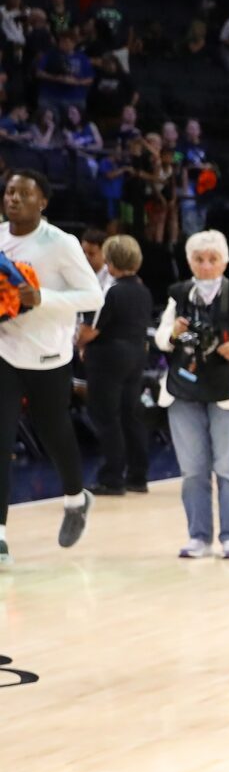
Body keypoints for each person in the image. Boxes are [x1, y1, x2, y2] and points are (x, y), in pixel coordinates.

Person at [0, 170, 102, 566]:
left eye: (25, 193)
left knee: (56, 433)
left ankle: (77, 499)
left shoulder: (61, 243)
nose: (14, 198)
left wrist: (41, 297)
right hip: (4, 350)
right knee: (1, 441)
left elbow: (91, 295)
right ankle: (1, 536)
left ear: (43, 201)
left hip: (48, 355)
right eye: (10, 191)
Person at [154, 228, 229, 558]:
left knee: (228, 467)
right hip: (184, 389)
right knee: (192, 469)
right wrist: (175, 334)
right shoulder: (179, 293)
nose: (206, 266)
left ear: (225, 261)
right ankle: (199, 536)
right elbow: (161, 339)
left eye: (212, 259)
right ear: (189, 261)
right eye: (198, 259)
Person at [82, 234, 155, 495]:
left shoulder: (111, 291)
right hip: (136, 355)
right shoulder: (143, 289)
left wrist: (77, 343)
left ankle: (112, 478)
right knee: (131, 415)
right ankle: (138, 476)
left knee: (106, 417)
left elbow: (91, 330)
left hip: (108, 358)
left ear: (110, 261)